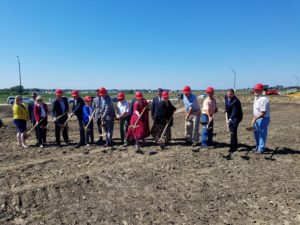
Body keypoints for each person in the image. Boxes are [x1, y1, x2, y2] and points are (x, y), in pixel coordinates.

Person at [251, 83, 270, 154]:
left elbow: (263, 113)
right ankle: (258, 146)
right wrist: (255, 117)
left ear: (261, 90)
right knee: (256, 133)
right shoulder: (256, 98)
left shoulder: (263, 99)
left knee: (262, 134)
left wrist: (255, 118)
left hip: (263, 119)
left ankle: (261, 149)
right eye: (255, 89)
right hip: (257, 118)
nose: (256, 91)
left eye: (257, 90)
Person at [224, 89, 243, 153]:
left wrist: (229, 120)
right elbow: (226, 105)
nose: (229, 96)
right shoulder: (226, 97)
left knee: (233, 130)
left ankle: (232, 147)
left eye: (230, 94)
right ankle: (235, 145)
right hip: (230, 115)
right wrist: (226, 111)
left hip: (237, 117)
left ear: (233, 94)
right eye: (228, 94)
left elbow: (234, 112)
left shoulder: (236, 101)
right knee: (232, 130)